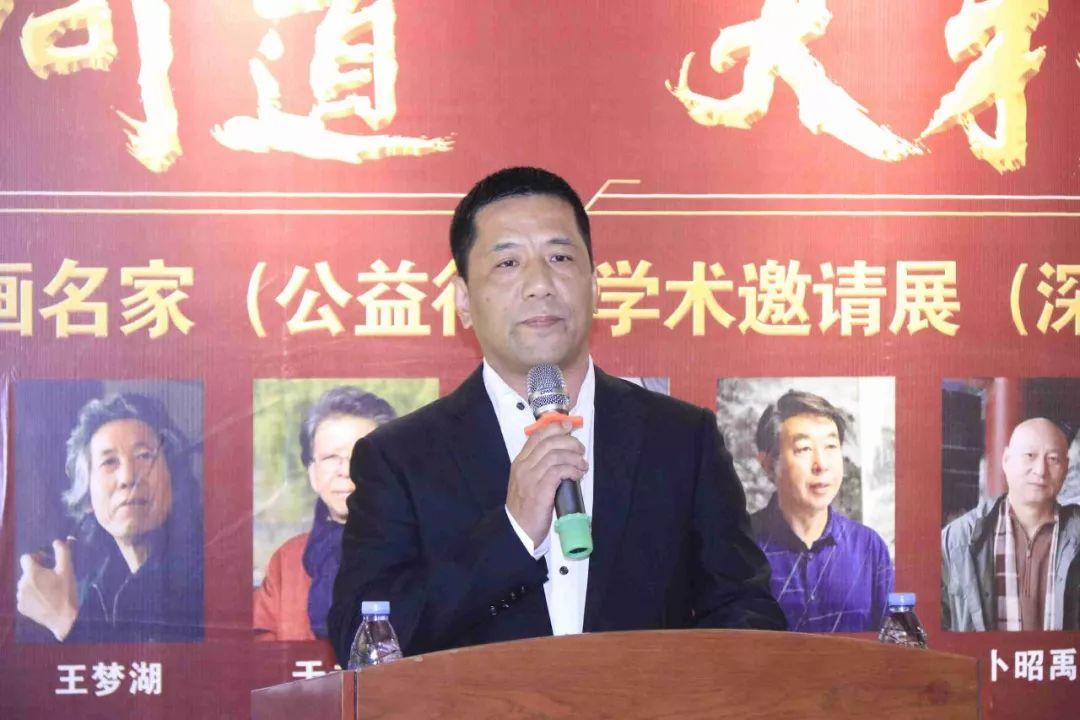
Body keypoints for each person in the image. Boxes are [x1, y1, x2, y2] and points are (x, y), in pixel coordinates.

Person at [328, 166, 785, 664]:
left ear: (595, 285)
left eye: (560, 257)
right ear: (463, 299)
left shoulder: (680, 439)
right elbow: (365, 640)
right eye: (508, 263)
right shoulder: (399, 458)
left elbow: (745, 613)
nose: (540, 284)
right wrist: (513, 533)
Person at [16, 393, 203, 643]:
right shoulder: (95, 585)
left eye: (144, 456)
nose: (128, 477)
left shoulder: (206, 577)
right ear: (87, 499)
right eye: (109, 462)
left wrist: (64, 618)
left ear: (174, 478)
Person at [254, 386, 396, 641]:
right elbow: (262, 654)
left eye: (360, 456)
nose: (345, 471)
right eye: (331, 457)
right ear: (312, 473)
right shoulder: (286, 562)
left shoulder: (421, 554)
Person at [750, 390, 893, 632]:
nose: (822, 464)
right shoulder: (739, 546)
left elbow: (891, 646)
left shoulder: (869, 547)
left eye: (831, 446)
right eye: (804, 448)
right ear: (768, 465)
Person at [942, 417, 1080, 631]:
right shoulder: (957, 539)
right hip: (989, 655)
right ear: (1006, 460)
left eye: (1053, 459)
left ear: (1066, 468)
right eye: (1029, 456)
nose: (1040, 470)